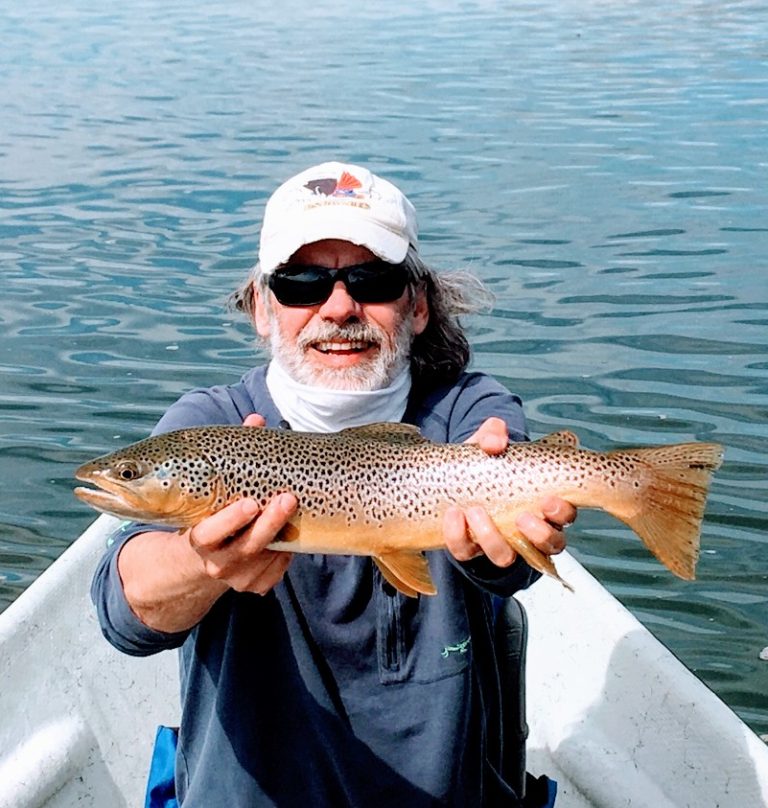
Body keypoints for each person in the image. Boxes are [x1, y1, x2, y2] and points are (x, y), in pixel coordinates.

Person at [92, 161, 576, 807]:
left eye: (373, 281)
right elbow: (126, 610)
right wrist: (198, 561)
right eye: (301, 284)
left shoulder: (467, 413)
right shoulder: (212, 426)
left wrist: (518, 534)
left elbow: (509, 567)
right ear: (262, 308)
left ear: (420, 305)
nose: (340, 307)